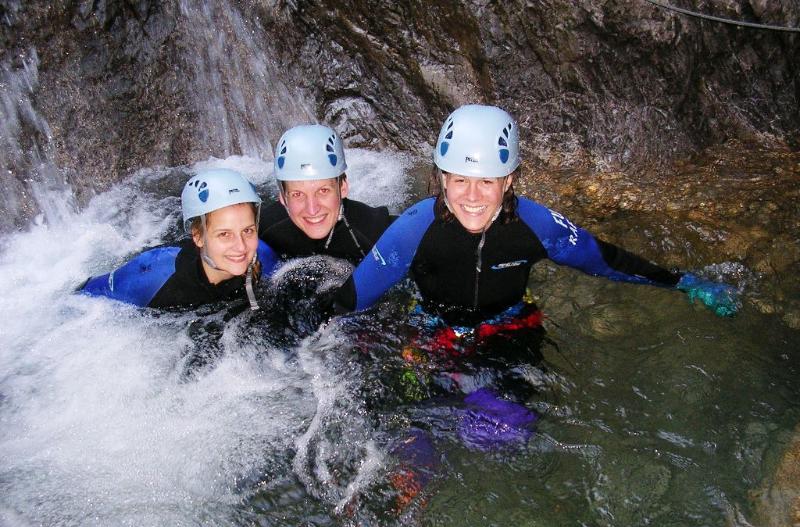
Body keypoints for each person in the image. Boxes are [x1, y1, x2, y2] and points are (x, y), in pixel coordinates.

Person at [334, 104, 740, 327]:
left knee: (504, 440)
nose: (472, 197)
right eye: (459, 181)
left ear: (509, 180)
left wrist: (686, 284)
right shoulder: (412, 229)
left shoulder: (537, 226)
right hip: (430, 331)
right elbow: (351, 300)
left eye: (487, 182)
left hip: (507, 328)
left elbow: (609, 261)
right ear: (441, 177)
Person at [81, 168, 278, 309]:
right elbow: (82, 297)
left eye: (248, 231)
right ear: (198, 236)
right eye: (224, 234)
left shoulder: (265, 257)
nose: (241, 246)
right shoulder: (151, 276)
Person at [259, 124, 394, 265]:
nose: (312, 210)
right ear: (283, 197)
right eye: (297, 194)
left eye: (323, 191)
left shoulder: (376, 231)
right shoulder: (263, 231)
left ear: (343, 187)